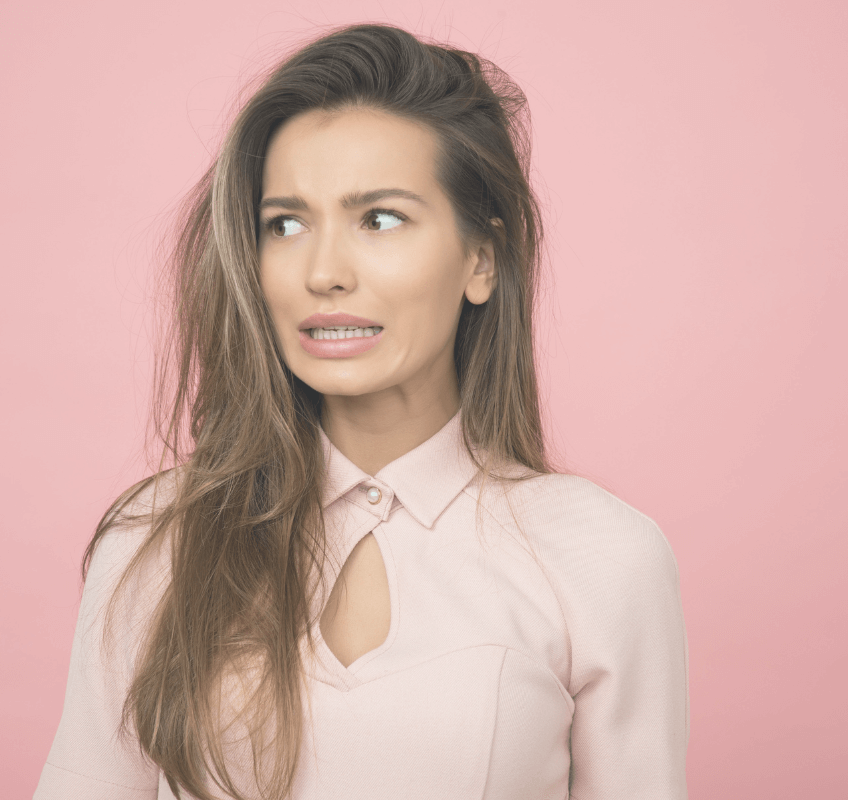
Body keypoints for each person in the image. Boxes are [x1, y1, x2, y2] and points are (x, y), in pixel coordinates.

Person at [33, 23, 688, 800]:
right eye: (286, 223)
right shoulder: (159, 544)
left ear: (482, 259)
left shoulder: (603, 556)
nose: (323, 272)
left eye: (378, 219)